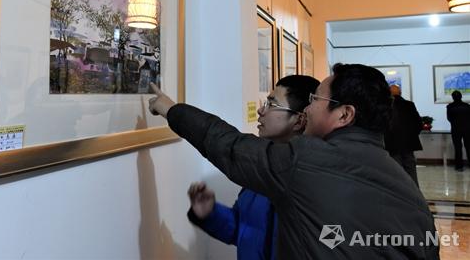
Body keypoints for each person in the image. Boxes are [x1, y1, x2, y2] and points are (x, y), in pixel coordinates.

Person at [149, 64, 439, 259]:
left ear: (344, 115)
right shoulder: (406, 186)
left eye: (316, 100)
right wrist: (210, 214)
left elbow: (230, 145)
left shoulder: (302, 164)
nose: (309, 109)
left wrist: (170, 109)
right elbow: (246, 230)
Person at [186, 75, 319, 260]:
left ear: (298, 121)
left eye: (271, 104)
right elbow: (244, 232)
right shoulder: (260, 168)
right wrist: (210, 213)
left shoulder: (316, 180)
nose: (260, 110)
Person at [384, 84, 423, 186]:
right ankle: (415, 195)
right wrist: (412, 135)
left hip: (391, 144)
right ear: (400, 93)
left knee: (396, 171)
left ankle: (401, 196)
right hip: (409, 143)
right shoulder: (409, 105)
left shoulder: (385, 106)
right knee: (411, 169)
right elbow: (418, 124)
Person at [446, 90, 470, 171]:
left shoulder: (450, 107)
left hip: (456, 129)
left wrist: (456, 124)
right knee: (469, 147)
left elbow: (449, 118)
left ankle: (459, 166)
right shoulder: (467, 106)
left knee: (458, 148)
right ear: (461, 96)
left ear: (453, 97)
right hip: (467, 129)